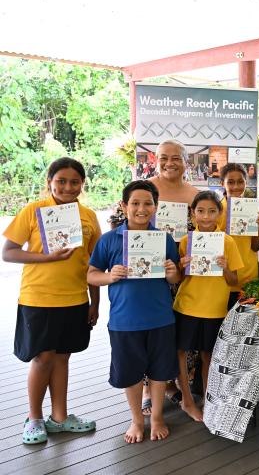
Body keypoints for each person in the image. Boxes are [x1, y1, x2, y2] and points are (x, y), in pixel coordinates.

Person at [2, 157, 101, 444]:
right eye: (61, 181)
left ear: (82, 185)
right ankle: (34, 418)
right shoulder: (33, 210)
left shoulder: (88, 216)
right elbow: (8, 252)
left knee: (62, 357)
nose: (67, 187)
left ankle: (59, 417)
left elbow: (93, 264)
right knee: (42, 358)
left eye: (74, 182)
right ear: (49, 182)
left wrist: (95, 302)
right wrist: (45, 257)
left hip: (75, 299)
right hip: (39, 298)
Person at [87, 180, 181, 443]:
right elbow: (91, 275)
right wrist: (109, 276)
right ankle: (137, 420)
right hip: (124, 321)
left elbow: (174, 279)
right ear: (123, 206)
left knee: (161, 371)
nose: (142, 209)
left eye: (147, 203)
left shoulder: (164, 239)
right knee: (130, 373)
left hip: (161, 318)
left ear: (156, 207)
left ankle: (158, 417)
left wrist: (174, 274)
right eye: (135, 203)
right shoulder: (109, 240)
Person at [174, 191, 244, 421]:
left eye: (212, 211)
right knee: (180, 353)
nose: (206, 217)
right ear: (193, 213)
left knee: (209, 355)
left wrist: (224, 267)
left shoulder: (227, 242)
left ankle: (208, 399)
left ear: (220, 214)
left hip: (214, 308)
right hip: (186, 305)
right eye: (201, 211)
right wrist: (182, 266)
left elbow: (234, 282)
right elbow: (179, 279)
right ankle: (186, 400)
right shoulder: (186, 241)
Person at [218, 163, 259, 309]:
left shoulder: (253, 211)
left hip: (248, 277)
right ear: (222, 183)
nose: (236, 187)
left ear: (246, 182)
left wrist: (258, 228)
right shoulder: (216, 211)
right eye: (230, 182)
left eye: (240, 182)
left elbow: (255, 247)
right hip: (223, 278)